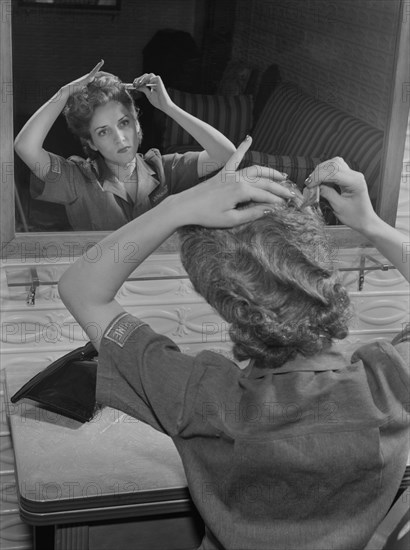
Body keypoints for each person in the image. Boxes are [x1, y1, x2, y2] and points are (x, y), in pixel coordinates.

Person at [58, 139, 409, 550]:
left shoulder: (200, 397)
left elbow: (81, 289)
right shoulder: (388, 385)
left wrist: (175, 208)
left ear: (222, 301)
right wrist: (370, 223)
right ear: (319, 261)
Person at [13, 60, 243, 231]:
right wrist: (65, 93)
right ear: (91, 142)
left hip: (156, 279)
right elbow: (25, 147)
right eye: (103, 131)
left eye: (124, 123)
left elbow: (225, 155)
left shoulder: (165, 170)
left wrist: (169, 107)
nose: (120, 138)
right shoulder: (76, 179)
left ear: (137, 124)